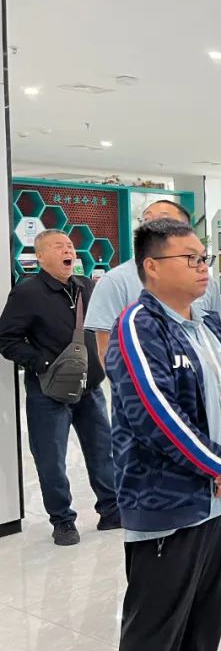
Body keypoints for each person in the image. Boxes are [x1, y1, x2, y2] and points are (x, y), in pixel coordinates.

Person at [107, 219, 221, 651]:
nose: (202, 267)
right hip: (167, 503)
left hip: (218, 497)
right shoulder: (138, 326)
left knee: (207, 606)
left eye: (203, 258)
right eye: (190, 258)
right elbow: (156, 416)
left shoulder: (207, 322)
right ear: (152, 266)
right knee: (154, 626)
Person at [0, 230, 118, 546]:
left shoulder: (86, 286)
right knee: (51, 460)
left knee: (102, 452)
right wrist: (43, 363)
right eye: (58, 246)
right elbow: (7, 339)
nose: (68, 250)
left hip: (90, 389)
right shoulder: (27, 293)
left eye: (69, 246)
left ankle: (111, 510)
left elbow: (102, 327)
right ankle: (62, 521)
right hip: (48, 393)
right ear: (40, 256)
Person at [86, 199, 221, 367]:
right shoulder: (115, 281)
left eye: (162, 219)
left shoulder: (204, 280)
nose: (149, 225)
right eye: (145, 219)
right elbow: (107, 351)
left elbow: (219, 341)